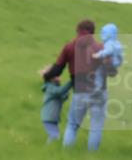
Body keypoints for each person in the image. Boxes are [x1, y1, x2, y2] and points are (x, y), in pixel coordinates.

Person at [42, 19, 107, 150]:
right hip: (99, 91)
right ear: (92, 33)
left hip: (80, 90)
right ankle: (92, 159)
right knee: (96, 127)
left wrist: (46, 76)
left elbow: (58, 69)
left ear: (77, 31)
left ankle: (66, 154)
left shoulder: (69, 47)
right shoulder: (100, 47)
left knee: (72, 124)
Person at [38, 66, 73, 143]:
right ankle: (48, 150)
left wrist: (66, 94)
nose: (59, 77)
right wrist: (71, 82)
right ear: (51, 78)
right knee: (55, 135)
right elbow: (59, 92)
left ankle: (48, 149)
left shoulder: (55, 87)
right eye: (57, 76)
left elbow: (62, 96)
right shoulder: (50, 87)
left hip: (52, 118)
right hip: (48, 117)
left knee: (53, 135)